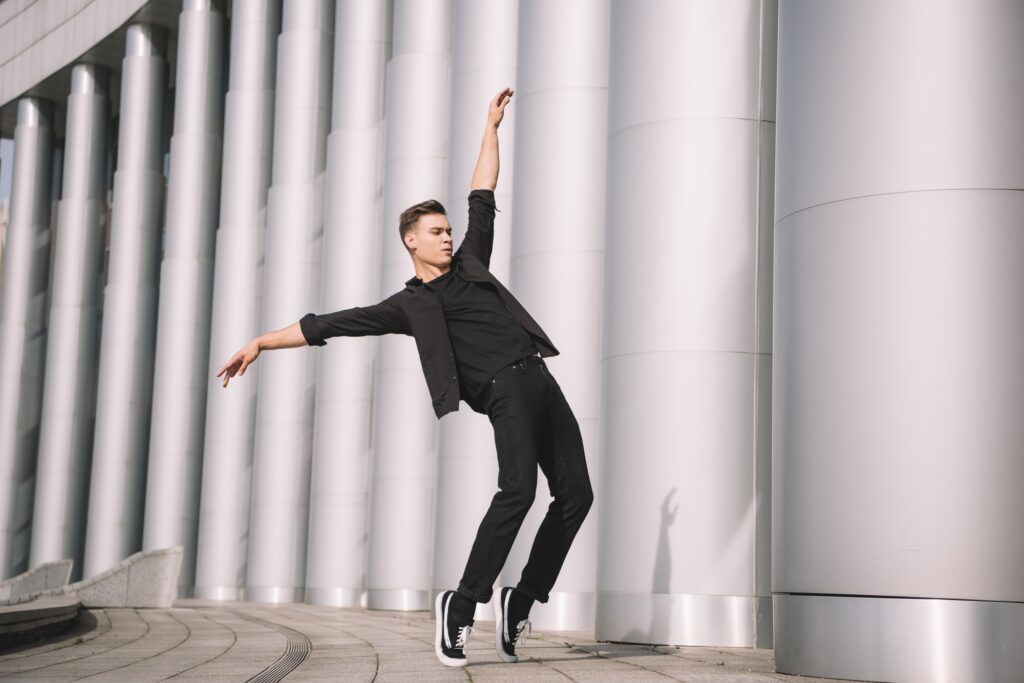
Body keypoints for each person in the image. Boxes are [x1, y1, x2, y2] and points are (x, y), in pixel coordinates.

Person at [217, 87, 594, 668]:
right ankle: (462, 605)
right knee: (517, 491)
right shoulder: (410, 305)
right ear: (411, 241)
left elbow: (482, 193)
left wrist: (491, 127)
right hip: (502, 390)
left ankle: (522, 598)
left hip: (541, 379)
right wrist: (263, 341)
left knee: (575, 494)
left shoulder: (471, 263)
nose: (447, 236)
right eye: (436, 231)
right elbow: (331, 324)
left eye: (448, 229)